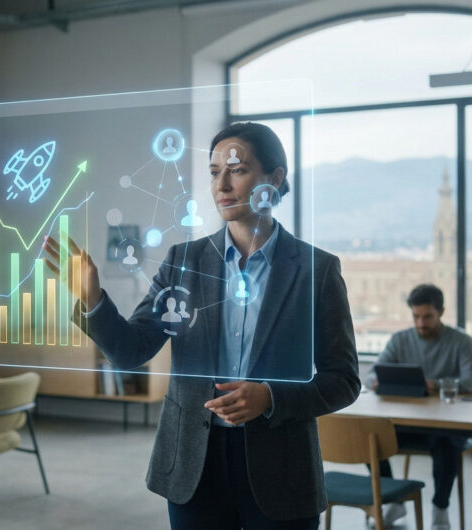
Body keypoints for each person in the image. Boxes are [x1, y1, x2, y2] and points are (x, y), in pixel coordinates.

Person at [43, 122, 360, 529]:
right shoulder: (182, 262)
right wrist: (92, 298)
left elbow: (344, 380)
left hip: (281, 467)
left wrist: (270, 398)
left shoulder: (316, 270)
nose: (222, 185)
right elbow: (130, 350)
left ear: (274, 179)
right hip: (194, 465)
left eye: (237, 169)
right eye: (214, 173)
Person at [364, 284, 472, 530]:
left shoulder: (461, 341)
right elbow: (369, 376)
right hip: (407, 423)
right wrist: (379, 381)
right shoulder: (400, 339)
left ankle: (440, 508)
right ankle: (394, 500)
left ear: (441, 312)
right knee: (369, 435)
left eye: (427, 316)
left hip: (446, 424)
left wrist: (436, 384)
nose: (421, 323)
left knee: (446, 439)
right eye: (416, 316)